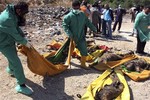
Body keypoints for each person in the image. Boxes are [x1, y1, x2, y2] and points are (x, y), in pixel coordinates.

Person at [0, 1, 33, 95]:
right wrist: (25, 42)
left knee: (13, 56)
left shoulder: (13, 12)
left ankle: (10, 70)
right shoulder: (7, 18)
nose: (23, 15)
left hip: (8, 40)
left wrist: (22, 35)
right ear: (18, 10)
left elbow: (15, 27)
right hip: (3, 43)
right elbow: (15, 35)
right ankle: (21, 86)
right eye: (23, 13)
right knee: (17, 63)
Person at [62, 0, 97, 69]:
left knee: (84, 50)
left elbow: (88, 23)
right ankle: (66, 61)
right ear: (72, 7)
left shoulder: (82, 15)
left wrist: (94, 29)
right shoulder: (68, 16)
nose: (76, 9)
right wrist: (69, 34)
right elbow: (65, 26)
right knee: (68, 51)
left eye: (77, 8)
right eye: (75, 8)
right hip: (71, 38)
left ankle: (83, 64)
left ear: (79, 7)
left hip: (81, 37)